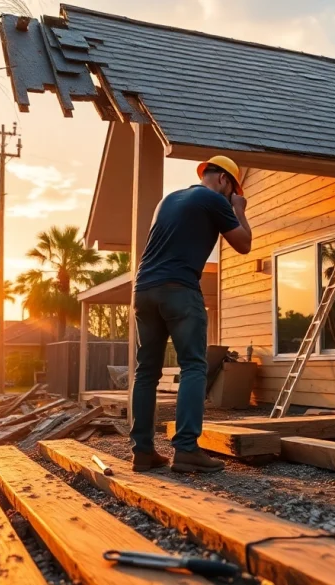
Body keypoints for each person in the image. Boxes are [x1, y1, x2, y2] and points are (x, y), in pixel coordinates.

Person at [129, 155, 252, 473]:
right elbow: (244, 243)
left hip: (143, 290)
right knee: (194, 367)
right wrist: (239, 208)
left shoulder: (168, 200)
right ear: (224, 181)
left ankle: (142, 452)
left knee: (146, 373)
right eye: (232, 190)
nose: (230, 196)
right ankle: (185, 450)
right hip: (179, 290)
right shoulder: (214, 198)